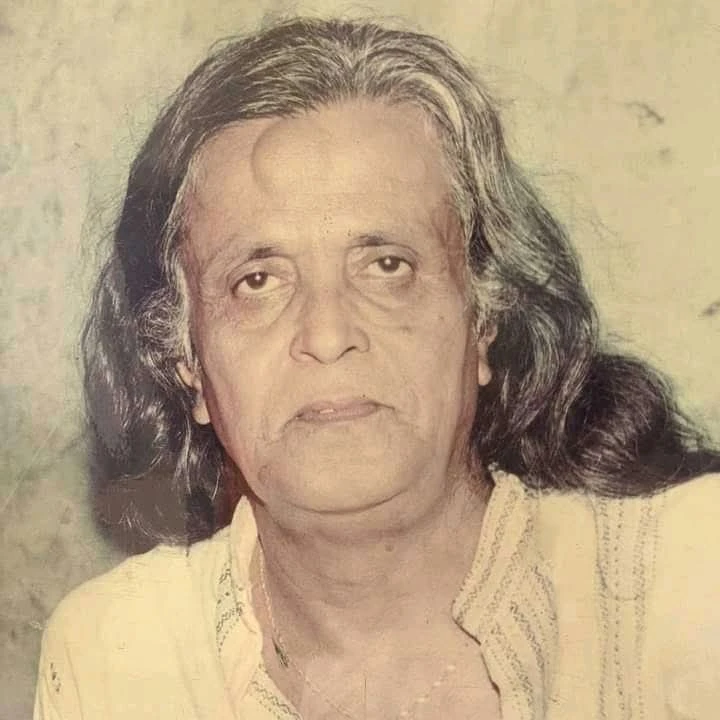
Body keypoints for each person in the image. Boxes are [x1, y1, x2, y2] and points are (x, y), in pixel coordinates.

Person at [34, 16, 720, 720]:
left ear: (485, 318)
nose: (328, 335)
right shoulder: (117, 656)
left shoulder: (689, 583)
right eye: (257, 281)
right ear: (186, 361)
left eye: (387, 266)